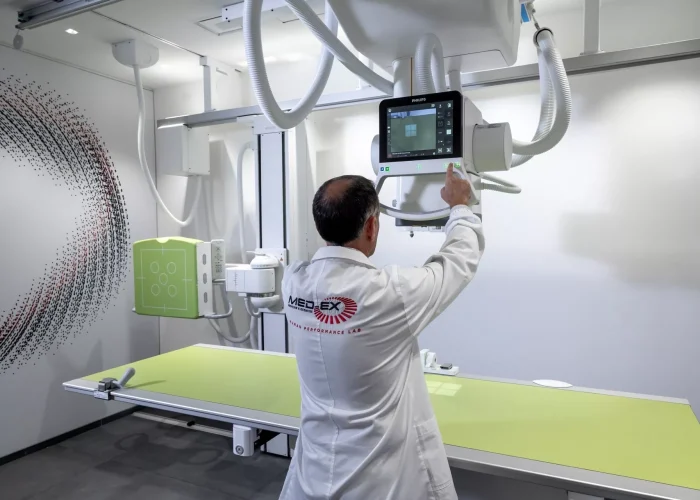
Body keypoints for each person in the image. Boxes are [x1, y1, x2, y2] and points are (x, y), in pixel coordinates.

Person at [280, 164, 485, 500]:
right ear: (372, 227)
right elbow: (457, 262)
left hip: (314, 472)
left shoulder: (293, 283)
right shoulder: (391, 293)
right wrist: (460, 207)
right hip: (380, 481)